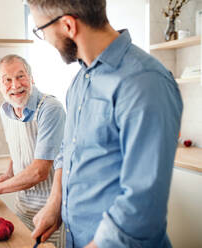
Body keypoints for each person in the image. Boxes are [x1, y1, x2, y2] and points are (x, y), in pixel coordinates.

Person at [27, 0, 183, 248]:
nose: (45, 39)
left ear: (68, 25)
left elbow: (142, 204)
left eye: (41, 30)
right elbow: (68, 149)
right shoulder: (80, 81)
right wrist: (55, 204)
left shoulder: (144, 82)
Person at [0, 54, 66, 247]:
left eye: (20, 76)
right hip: (22, 209)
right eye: (7, 80)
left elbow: (40, 171)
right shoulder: (6, 109)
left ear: (31, 79)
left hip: (51, 212)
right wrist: (3, 178)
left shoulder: (50, 109)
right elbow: (18, 152)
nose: (15, 85)